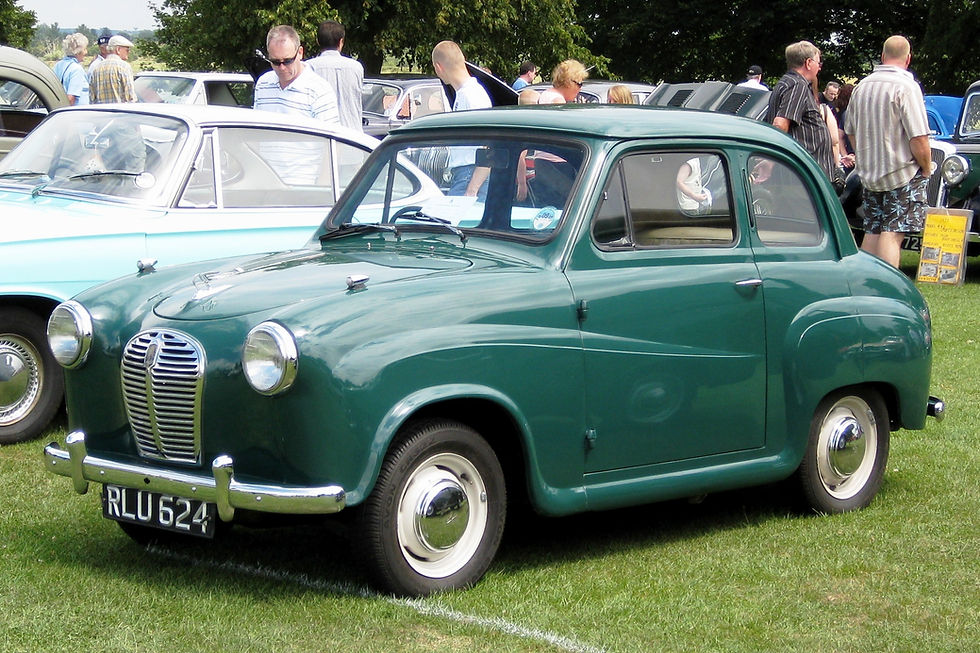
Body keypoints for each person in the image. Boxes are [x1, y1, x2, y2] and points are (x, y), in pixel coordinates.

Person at [845, 35, 932, 268]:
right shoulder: (907, 87)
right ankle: (886, 292)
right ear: (908, 58)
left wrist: (863, 158)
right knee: (892, 233)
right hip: (901, 172)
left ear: (883, 57)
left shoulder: (861, 87)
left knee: (872, 230)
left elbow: (850, 131)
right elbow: (918, 137)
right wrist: (926, 167)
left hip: (870, 173)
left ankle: (865, 286)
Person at [765, 41, 835, 182]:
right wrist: (770, 161)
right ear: (808, 63)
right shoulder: (797, 85)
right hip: (802, 178)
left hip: (799, 175)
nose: (819, 68)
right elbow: (780, 124)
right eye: (818, 63)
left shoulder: (786, 82)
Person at [431, 40, 492, 197]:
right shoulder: (465, 94)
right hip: (467, 175)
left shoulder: (471, 96)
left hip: (470, 176)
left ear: (438, 67)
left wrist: (472, 189)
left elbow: (489, 145)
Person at [253, 25, 339, 123]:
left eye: (287, 61)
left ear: (300, 53)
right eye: (275, 62)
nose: (282, 67)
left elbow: (329, 134)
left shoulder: (319, 90)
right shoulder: (263, 84)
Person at [305, 20, 363, 131]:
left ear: (318, 41)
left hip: (322, 133)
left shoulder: (309, 67)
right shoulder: (356, 67)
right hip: (353, 134)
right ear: (341, 42)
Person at [89, 35, 136, 103]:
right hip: (120, 111)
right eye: (127, 50)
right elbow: (130, 96)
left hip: (100, 111)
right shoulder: (124, 67)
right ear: (118, 49)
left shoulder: (96, 68)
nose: (129, 52)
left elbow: (92, 97)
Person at [53, 33, 89, 105]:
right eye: (84, 49)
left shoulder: (58, 65)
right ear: (78, 52)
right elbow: (70, 98)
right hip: (77, 113)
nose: (86, 52)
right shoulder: (77, 69)